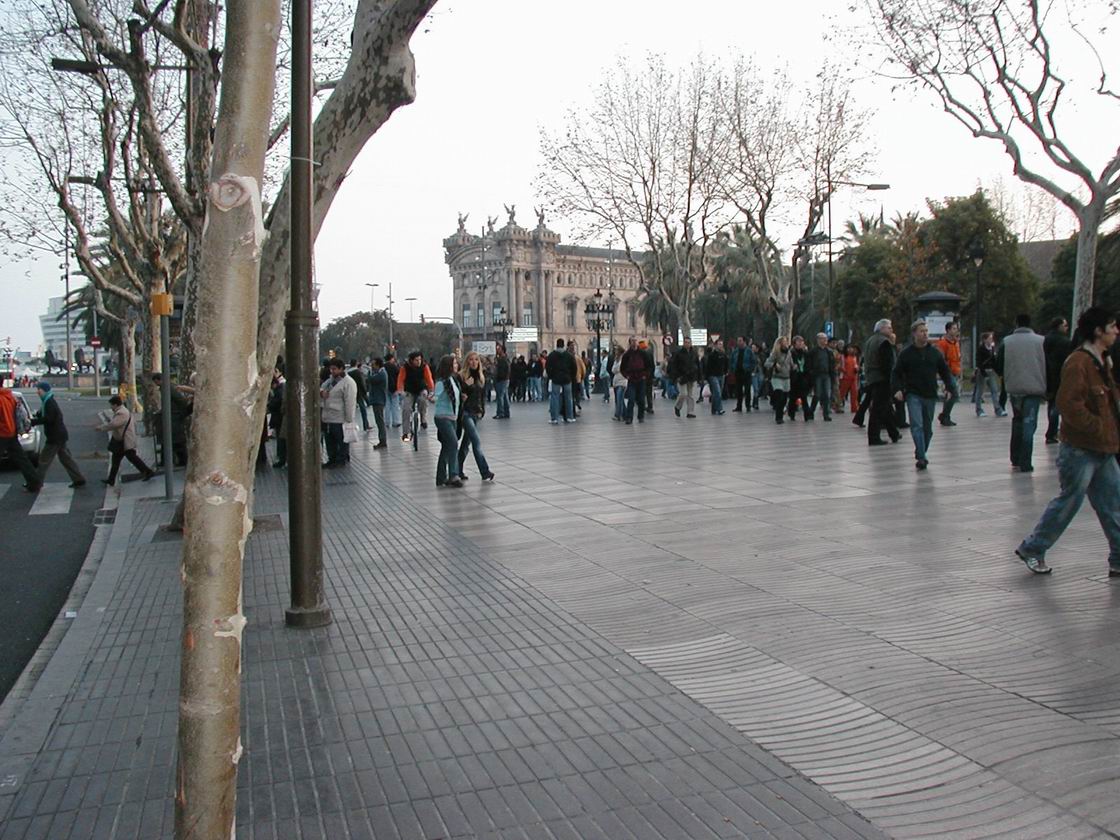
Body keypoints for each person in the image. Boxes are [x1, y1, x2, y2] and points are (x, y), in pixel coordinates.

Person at [1015, 307, 1120, 575]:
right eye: (1112, 327)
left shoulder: (1102, 360)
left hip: (1104, 448)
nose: (1116, 331)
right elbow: (1068, 404)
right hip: (1081, 450)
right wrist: (1098, 427)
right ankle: (1033, 548)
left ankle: (1119, 558)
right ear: (1098, 331)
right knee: (1069, 502)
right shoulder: (1079, 362)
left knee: (1113, 503)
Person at [893, 320, 953, 470]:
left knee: (928, 429)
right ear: (914, 334)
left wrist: (949, 388)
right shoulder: (906, 354)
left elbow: (945, 372)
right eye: (922, 331)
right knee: (917, 425)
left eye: (926, 331)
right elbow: (896, 373)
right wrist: (897, 389)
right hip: (913, 394)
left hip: (930, 394)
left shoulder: (934, 352)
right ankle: (921, 457)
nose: (925, 334)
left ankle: (921, 450)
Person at [997, 313, 1047, 472]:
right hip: (1034, 388)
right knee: (1029, 424)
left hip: (1015, 388)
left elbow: (998, 365)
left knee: (1018, 420)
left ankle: (1015, 457)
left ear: (1016, 323)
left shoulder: (1006, 341)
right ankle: (1026, 461)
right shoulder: (1041, 341)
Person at [30, 381, 85, 488]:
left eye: (39, 390)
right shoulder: (47, 401)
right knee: (66, 459)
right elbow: (44, 415)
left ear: (44, 390)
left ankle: (36, 483)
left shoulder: (49, 403)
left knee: (43, 461)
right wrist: (37, 415)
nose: (37, 392)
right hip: (59, 436)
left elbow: (49, 419)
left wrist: (33, 422)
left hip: (54, 437)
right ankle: (79, 479)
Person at [96, 395, 155, 485]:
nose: (111, 407)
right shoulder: (123, 411)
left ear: (115, 404)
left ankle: (148, 472)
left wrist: (101, 428)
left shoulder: (121, 413)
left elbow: (114, 424)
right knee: (117, 460)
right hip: (123, 441)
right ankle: (111, 479)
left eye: (111, 405)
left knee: (131, 458)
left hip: (125, 441)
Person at [457, 351, 495, 482]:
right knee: (476, 442)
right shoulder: (462, 376)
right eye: (471, 360)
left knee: (465, 444)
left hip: (475, 413)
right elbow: (460, 393)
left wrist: (482, 410)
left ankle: (457, 470)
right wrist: (466, 386)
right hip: (465, 413)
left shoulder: (480, 377)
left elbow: (482, 396)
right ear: (467, 362)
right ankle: (485, 471)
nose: (474, 362)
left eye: (476, 360)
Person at [863, 319, 901, 446]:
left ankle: (894, 433)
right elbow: (887, 363)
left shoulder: (870, 340)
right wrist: (892, 380)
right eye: (889, 328)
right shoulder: (884, 342)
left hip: (872, 378)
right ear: (882, 329)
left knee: (886, 407)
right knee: (878, 409)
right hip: (882, 379)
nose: (891, 330)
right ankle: (874, 437)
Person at [0, 384, 42, 492]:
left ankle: (34, 483)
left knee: (22, 459)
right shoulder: (10, 396)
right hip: (12, 432)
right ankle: (34, 483)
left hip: (2, 433)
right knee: (23, 460)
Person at [432, 354, 463, 487]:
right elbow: (436, 396)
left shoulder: (453, 380)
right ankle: (453, 475)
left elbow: (456, 396)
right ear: (448, 366)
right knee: (453, 443)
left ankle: (440, 478)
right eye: (454, 363)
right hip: (443, 417)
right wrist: (432, 398)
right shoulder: (442, 382)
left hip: (452, 417)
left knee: (446, 447)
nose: (456, 365)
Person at [320, 357, 356, 468]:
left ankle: (341, 459)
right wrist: (322, 392)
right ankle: (332, 459)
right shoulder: (330, 381)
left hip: (340, 417)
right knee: (330, 440)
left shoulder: (348, 383)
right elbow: (321, 388)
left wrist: (349, 419)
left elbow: (349, 401)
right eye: (331, 369)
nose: (332, 371)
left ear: (341, 369)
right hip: (328, 416)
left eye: (334, 369)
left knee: (341, 440)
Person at [1043, 316, 1072, 443]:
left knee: (1052, 404)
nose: (1067, 328)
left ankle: (1052, 431)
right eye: (1065, 325)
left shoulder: (1045, 339)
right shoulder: (1065, 342)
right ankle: (1052, 432)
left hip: (1047, 376)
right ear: (1059, 326)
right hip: (1060, 377)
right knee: (1058, 404)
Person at [398, 351, 434, 442]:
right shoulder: (405, 367)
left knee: (423, 400)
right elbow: (400, 380)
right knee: (406, 409)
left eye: (420, 360)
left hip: (421, 389)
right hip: (409, 391)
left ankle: (423, 418)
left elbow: (429, 379)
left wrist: (431, 390)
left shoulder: (424, 367)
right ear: (411, 360)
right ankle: (406, 432)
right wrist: (400, 391)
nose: (419, 362)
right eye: (416, 360)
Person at [935, 321, 963, 426]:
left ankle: (945, 416)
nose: (956, 331)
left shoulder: (956, 343)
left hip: (955, 371)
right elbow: (940, 359)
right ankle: (944, 415)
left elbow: (958, 358)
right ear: (948, 330)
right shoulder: (942, 344)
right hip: (947, 372)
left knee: (949, 394)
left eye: (956, 329)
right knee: (954, 394)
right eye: (954, 329)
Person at [620, 336, 651, 424]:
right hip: (632, 379)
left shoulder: (643, 353)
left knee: (641, 399)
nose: (634, 343)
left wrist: (645, 375)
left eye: (635, 341)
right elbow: (622, 368)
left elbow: (649, 366)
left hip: (641, 378)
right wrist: (627, 376)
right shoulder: (627, 355)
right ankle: (629, 417)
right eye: (632, 341)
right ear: (630, 343)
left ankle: (641, 416)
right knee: (631, 399)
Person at [973, 332, 1005, 417]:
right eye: (989, 338)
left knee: (994, 390)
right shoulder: (981, 349)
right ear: (984, 340)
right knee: (980, 391)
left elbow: (994, 362)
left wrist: (999, 372)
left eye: (991, 338)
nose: (991, 340)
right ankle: (979, 410)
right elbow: (979, 362)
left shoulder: (992, 348)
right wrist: (984, 373)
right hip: (982, 372)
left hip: (991, 371)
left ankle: (998, 409)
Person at [669, 337, 702, 418]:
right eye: (685, 342)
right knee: (683, 394)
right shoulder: (678, 353)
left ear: (691, 343)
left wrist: (700, 377)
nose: (687, 344)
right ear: (683, 343)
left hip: (692, 376)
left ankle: (690, 412)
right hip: (682, 376)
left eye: (688, 342)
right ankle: (677, 406)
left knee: (691, 395)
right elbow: (673, 365)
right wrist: (676, 376)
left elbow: (698, 365)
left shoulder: (694, 353)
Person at [546, 339, 576, 424]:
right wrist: (571, 376)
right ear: (563, 345)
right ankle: (569, 417)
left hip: (556, 378)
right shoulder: (569, 355)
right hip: (567, 378)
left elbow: (547, 367)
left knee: (555, 397)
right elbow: (574, 367)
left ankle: (554, 418)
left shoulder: (552, 355)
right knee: (568, 398)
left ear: (557, 345)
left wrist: (551, 376)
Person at [807, 332, 836, 421]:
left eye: (826, 338)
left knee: (827, 395)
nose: (825, 340)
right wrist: (811, 373)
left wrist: (833, 375)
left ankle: (826, 414)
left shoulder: (829, 352)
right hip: (817, 375)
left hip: (827, 375)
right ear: (818, 340)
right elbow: (809, 364)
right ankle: (811, 412)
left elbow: (832, 364)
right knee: (817, 394)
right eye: (823, 338)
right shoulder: (813, 351)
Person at [765, 337, 793, 424]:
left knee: (784, 399)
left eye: (786, 341)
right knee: (779, 395)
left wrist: (794, 367)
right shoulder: (775, 353)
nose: (786, 343)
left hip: (786, 377)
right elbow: (767, 363)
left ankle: (781, 414)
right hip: (777, 377)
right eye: (784, 342)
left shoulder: (789, 353)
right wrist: (774, 365)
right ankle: (778, 417)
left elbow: (790, 363)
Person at [787, 336, 812, 421]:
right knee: (793, 397)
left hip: (803, 377)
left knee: (804, 397)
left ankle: (807, 415)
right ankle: (791, 413)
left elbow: (808, 364)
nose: (800, 343)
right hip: (794, 378)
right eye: (798, 342)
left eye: (802, 342)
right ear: (794, 343)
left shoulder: (806, 353)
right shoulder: (791, 353)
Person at [729, 337, 756, 412]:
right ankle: (739, 406)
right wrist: (732, 369)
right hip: (738, 372)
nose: (738, 342)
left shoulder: (749, 351)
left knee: (747, 390)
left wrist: (750, 369)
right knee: (738, 390)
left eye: (740, 341)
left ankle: (748, 406)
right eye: (738, 341)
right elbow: (731, 360)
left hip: (746, 373)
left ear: (744, 342)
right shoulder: (735, 351)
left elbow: (753, 361)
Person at [367, 357, 389, 449]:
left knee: (380, 421)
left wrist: (369, 372)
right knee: (379, 420)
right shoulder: (380, 373)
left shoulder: (381, 374)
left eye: (373, 365)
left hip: (379, 400)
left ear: (378, 365)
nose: (372, 366)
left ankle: (382, 440)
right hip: (377, 399)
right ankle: (382, 440)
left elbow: (371, 379)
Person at [268, 370, 287, 467]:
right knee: (281, 438)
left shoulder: (281, 388)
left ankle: (282, 458)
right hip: (281, 417)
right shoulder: (283, 387)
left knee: (282, 439)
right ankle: (282, 458)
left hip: (281, 417)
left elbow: (279, 402)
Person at [346, 359, 371, 431]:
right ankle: (366, 425)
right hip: (359, 392)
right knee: (363, 409)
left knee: (351, 409)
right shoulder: (358, 372)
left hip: (351, 392)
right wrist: (364, 391)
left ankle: (350, 426)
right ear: (356, 364)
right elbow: (362, 382)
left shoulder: (348, 373)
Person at [704, 339, 728, 415]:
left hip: (721, 375)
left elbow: (726, 364)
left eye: (721, 344)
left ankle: (714, 409)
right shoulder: (712, 355)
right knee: (717, 392)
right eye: (719, 344)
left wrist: (725, 372)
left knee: (717, 393)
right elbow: (708, 367)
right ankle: (720, 409)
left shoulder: (724, 355)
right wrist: (706, 377)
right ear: (715, 345)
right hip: (713, 376)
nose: (720, 346)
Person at [838, 344, 860, 414]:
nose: (850, 350)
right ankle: (837, 406)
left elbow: (856, 365)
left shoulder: (854, 357)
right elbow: (839, 366)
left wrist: (857, 369)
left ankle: (854, 408)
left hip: (854, 377)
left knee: (854, 393)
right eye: (848, 348)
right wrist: (844, 371)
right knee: (842, 393)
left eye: (851, 348)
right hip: (845, 377)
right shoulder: (842, 357)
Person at [492, 344, 511, 419]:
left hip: (502, 380)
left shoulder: (503, 359)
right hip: (504, 379)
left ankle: (500, 413)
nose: (497, 350)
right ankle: (506, 412)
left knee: (500, 396)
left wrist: (500, 377)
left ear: (502, 350)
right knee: (504, 396)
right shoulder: (503, 358)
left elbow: (504, 370)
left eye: (498, 349)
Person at [609, 346, 627, 421]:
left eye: (616, 350)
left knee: (619, 399)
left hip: (622, 382)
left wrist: (617, 368)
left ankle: (618, 415)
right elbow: (613, 370)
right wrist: (617, 368)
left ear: (620, 351)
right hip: (616, 382)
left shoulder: (624, 359)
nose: (615, 352)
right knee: (620, 400)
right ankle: (625, 414)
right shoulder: (616, 360)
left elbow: (620, 368)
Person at [384, 352, 402, 428]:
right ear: (391, 359)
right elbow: (399, 377)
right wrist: (399, 388)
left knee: (387, 405)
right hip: (394, 388)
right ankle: (396, 421)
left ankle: (387, 422)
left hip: (385, 388)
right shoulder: (395, 367)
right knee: (395, 405)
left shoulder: (383, 367)